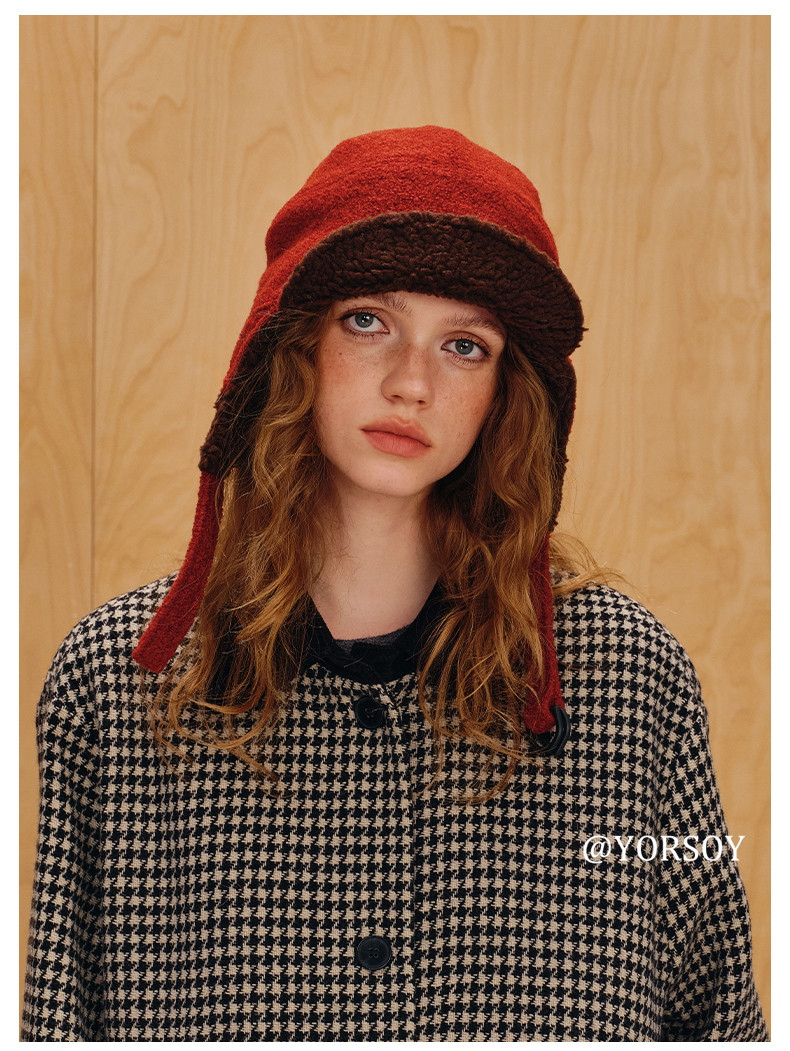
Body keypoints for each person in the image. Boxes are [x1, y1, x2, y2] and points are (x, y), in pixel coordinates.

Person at [22, 126, 767, 1041]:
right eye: (369, 321)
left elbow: (721, 1019)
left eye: (465, 345)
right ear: (294, 345)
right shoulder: (123, 682)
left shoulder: (628, 680)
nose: (412, 383)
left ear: (505, 392)